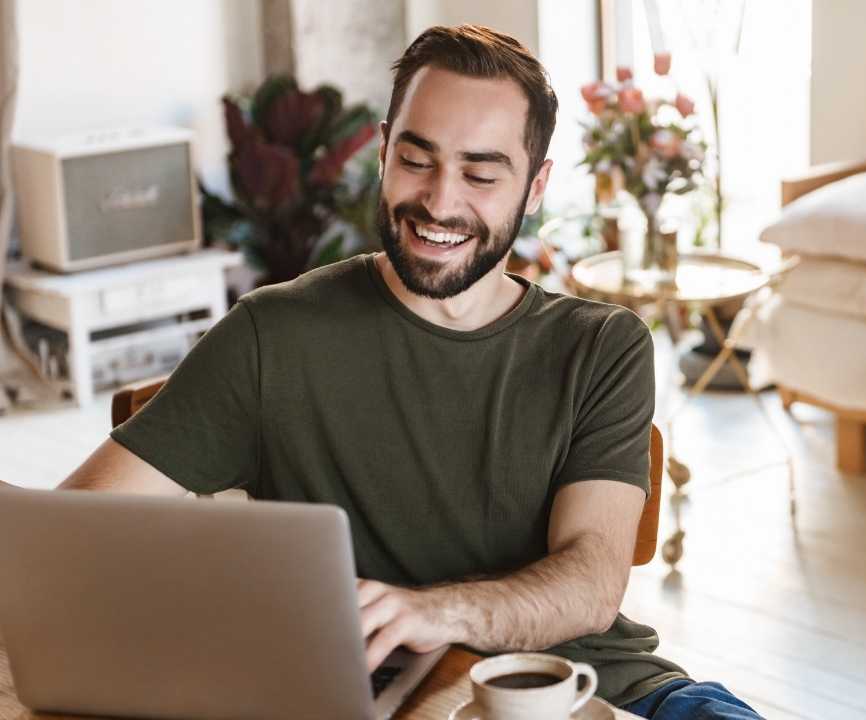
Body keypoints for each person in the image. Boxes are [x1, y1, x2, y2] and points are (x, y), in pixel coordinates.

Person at [55, 25, 762, 720]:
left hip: (602, 690)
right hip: (367, 696)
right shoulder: (272, 335)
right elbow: (67, 533)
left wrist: (433, 612)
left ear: (536, 185)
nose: (440, 202)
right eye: (416, 160)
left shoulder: (602, 347)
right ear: (386, 149)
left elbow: (590, 584)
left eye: (482, 174)